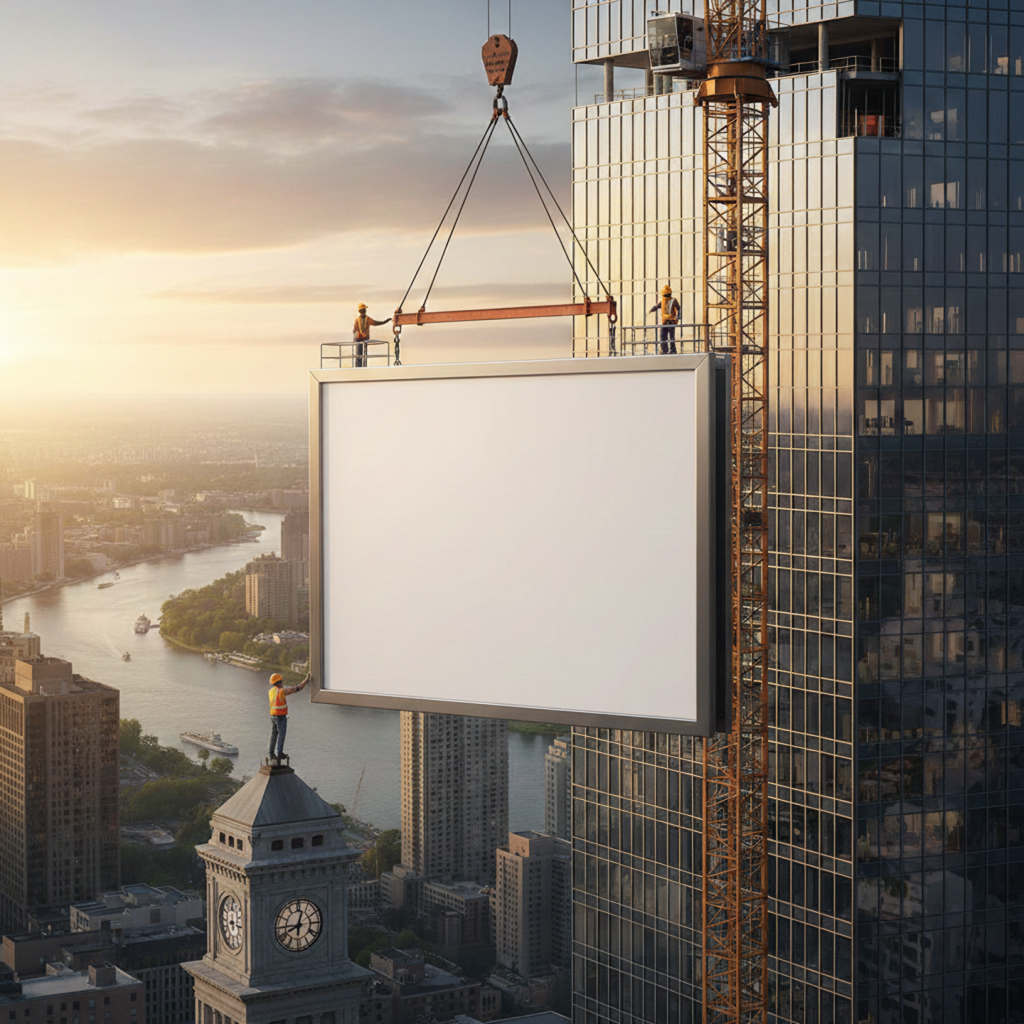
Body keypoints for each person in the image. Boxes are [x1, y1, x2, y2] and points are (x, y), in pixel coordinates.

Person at [268, 671, 309, 762]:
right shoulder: (282, 691)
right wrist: (306, 680)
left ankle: (271, 753)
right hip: (280, 716)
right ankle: (280, 753)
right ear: (280, 682)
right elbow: (298, 688)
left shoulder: (271, 691)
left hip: (273, 715)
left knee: (274, 733)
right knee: (282, 734)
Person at [352, 303, 391, 367]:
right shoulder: (358, 320)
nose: (364, 311)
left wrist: (386, 321)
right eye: (363, 310)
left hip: (364, 340)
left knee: (363, 355)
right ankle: (359, 368)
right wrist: (358, 336)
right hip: (359, 340)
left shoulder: (367, 319)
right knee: (359, 355)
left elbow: (376, 323)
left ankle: (362, 367)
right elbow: (354, 331)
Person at [649, 284, 680, 354]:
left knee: (671, 336)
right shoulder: (663, 301)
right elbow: (656, 306)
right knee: (663, 335)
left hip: (671, 321)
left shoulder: (673, 300)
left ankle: (672, 350)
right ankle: (664, 350)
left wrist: (679, 316)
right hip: (665, 322)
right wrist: (652, 310)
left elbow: (678, 308)